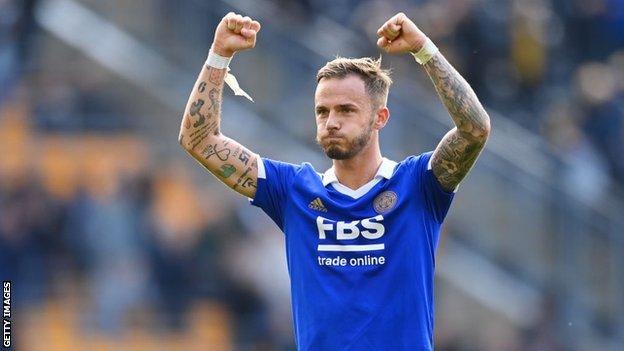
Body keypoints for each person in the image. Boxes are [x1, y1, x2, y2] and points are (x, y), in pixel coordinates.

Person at [178, 11, 490, 351]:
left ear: (379, 118)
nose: (331, 122)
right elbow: (200, 139)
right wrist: (219, 53)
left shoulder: (418, 185)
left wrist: (424, 50)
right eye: (322, 111)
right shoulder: (294, 190)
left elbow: (474, 128)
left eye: (346, 110)